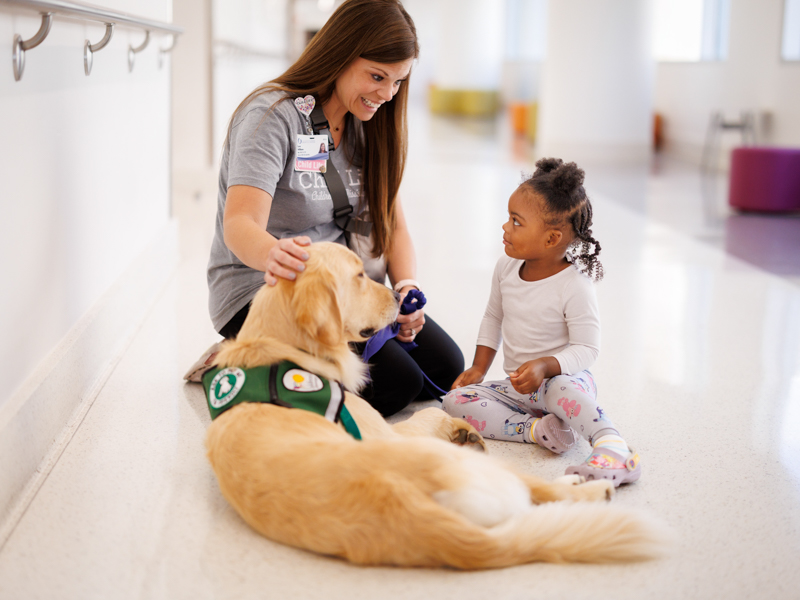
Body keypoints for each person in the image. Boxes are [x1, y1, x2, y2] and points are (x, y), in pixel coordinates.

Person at [204, 0, 463, 416]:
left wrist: (405, 287)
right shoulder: (271, 116)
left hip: (342, 284)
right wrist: (273, 253)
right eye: (377, 76)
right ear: (341, 54)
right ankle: (243, 354)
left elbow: (393, 227)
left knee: (446, 368)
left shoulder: (371, 125)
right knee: (398, 385)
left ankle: (269, 359)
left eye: (398, 81)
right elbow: (240, 222)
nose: (387, 94)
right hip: (267, 285)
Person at [441, 158, 640, 486]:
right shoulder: (506, 268)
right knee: (454, 402)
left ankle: (612, 445)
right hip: (520, 390)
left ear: (551, 239)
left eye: (516, 222)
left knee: (560, 388)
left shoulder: (573, 284)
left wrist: (547, 366)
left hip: (564, 384)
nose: (505, 227)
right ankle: (538, 430)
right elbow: (493, 317)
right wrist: (478, 368)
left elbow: (587, 349)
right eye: (509, 218)